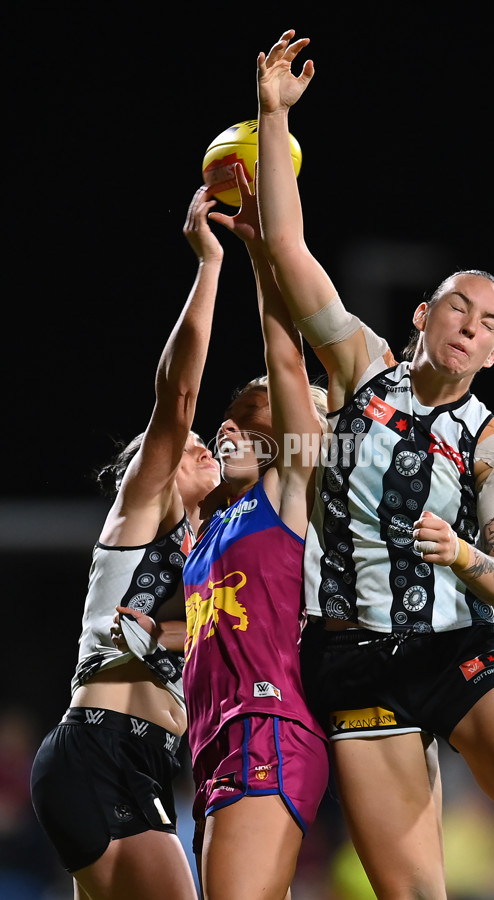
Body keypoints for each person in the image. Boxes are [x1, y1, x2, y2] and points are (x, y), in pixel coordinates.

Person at [255, 28, 494, 900]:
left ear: (492, 356)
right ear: (422, 314)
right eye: (460, 307)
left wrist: (465, 557)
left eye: (490, 326)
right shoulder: (361, 367)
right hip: (356, 658)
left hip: (459, 649)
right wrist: (270, 115)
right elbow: (291, 257)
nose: (473, 327)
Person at [30, 186, 224, 900]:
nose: (200, 446)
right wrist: (210, 264)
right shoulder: (140, 513)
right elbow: (176, 396)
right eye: (189, 445)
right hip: (100, 747)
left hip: (137, 762)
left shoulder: (210, 546)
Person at [181, 164, 330, 900]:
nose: (231, 424)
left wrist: (259, 252)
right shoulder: (206, 530)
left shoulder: (289, 485)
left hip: (266, 723)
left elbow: (287, 359)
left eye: (251, 414)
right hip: (211, 742)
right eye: (228, 416)